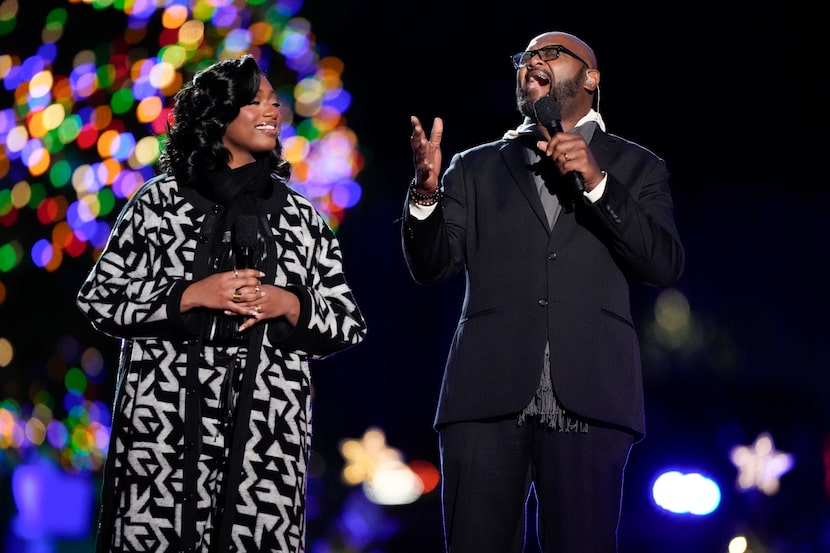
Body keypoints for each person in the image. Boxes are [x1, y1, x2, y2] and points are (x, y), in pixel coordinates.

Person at [402, 31, 684, 552]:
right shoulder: (474, 166)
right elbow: (432, 265)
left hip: (591, 392)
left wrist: (598, 182)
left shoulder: (638, 166)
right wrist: (424, 191)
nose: (532, 63)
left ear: (591, 78)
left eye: (549, 55)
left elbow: (662, 264)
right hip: (486, 393)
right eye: (525, 58)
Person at [77, 54, 367, 553]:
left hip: (266, 449)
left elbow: (348, 322)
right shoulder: (157, 205)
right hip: (162, 448)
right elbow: (100, 298)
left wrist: (289, 303)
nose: (271, 110)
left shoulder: (302, 218)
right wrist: (189, 296)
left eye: (274, 102)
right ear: (218, 114)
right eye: (254, 101)